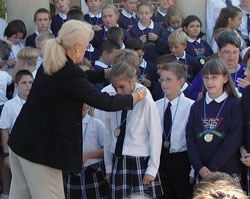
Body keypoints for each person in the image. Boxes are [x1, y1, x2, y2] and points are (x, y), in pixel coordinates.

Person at [7, 20, 146, 199]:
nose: (88, 49)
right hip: (41, 151)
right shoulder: (67, 71)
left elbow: (80, 78)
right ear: (79, 47)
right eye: (87, 46)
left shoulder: (53, 61)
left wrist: (106, 72)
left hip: (22, 141)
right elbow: (104, 102)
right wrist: (135, 97)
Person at [103, 62, 163, 199]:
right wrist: (108, 166)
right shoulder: (113, 99)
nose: (118, 92)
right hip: (118, 160)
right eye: (114, 87)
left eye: (122, 87)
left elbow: (155, 135)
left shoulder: (146, 101)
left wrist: (153, 168)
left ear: (133, 80)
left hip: (139, 162)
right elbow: (108, 134)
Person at [186, 58, 243, 183]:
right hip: (202, 172)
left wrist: (212, 168)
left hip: (227, 171)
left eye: (214, 77)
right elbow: (190, 139)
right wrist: (199, 167)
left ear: (225, 78)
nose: (209, 82)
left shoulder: (234, 105)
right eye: (206, 78)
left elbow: (234, 139)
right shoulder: (197, 106)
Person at [156, 62, 194, 199]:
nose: (164, 83)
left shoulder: (191, 106)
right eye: (162, 79)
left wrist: (193, 169)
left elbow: (193, 139)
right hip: (161, 159)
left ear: (181, 81)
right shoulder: (156, 106)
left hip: (181, 160)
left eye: (168, 79)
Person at [0, 70, 33, 199]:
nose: (28, 86)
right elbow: (4, 130)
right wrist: (6, 154)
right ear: (16, 85)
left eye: (30, 82)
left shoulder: (38, 103)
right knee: (20, 187)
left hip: (36, 151)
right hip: (18, 151)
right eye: (24, 83)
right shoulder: (9, 106)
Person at [65, 103, 109, 199]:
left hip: (93, 172)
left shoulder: (97, 124)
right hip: (73, 173)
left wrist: (87, 156)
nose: (85, 105)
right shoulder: (66, 125)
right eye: (81, 102)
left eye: (86, 102)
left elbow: (107, 150)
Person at [190, 31, 248, 100]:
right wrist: (210, 93)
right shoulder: (209, 71)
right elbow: (191, 95)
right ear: (219, 52)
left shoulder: (247, 71)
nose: (231, 56)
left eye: (235, 52)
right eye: (227, 52)